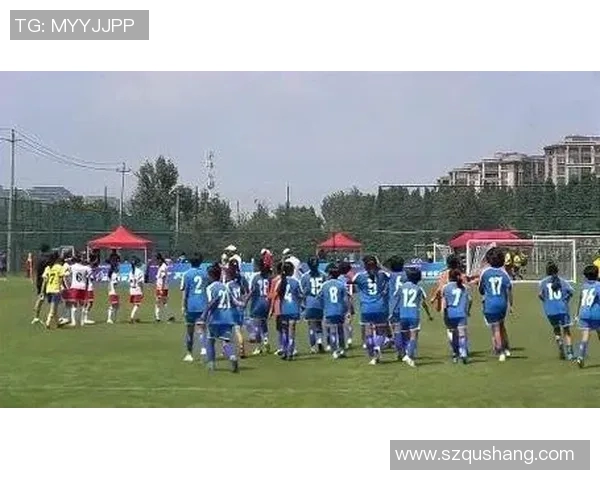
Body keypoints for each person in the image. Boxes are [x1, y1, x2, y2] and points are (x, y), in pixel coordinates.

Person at [389, 268, 433, 367]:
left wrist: (392, 313)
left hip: (403, 315)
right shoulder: (419, 288)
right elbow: (424, 303)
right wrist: (429, 314)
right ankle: (409, 356)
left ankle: (403, 353)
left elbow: (396, 301)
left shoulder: (401, 287)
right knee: (413, 336)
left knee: (404, 336)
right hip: (414, 315)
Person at [351, 255, 390, 365]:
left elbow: (349, 276)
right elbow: (391, 274)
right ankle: (378, 347)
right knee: (381, 331)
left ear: (365, 265)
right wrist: (380, 266)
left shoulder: (360, 276)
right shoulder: (382, 274)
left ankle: (372, 354)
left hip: (366, 308)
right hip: (380, 306)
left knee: (368, 331)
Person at [202, 263, 239, 373]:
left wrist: (205, 314)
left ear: (211, 276)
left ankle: (211, 364)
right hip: (228, 317)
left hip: (216, 317)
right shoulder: (225, 287)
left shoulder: (210, 288)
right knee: (226, 341)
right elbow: (233, 302)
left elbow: (212, 302)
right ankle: (232, 356)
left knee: (210, 340)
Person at [479, 247, 514, 362]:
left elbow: (481, 289)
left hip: (490, 304)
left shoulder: (485, 273)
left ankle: (501, 351)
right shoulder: (504, 274)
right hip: (502, 303)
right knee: (501, 325)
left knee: (495, 328)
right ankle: (507, 348)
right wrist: (511, 305)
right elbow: (509, 290)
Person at [538, 262, 574, 360]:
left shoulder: (543, 282)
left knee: (556, 329)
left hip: (550, 310)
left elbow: (540, 295)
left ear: (547, 271)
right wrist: (566, 300)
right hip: (562, 309)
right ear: (557, 270)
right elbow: (571, 292)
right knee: (566, 330)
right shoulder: (563, 281)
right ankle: (570, 353)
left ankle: (560, 343)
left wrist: (546, 301)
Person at [318, 262, 350, 359]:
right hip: (339, 310)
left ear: (330, 275)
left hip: (329, 311)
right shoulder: (341, 284)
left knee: (332, 331)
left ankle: (334, 351)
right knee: (340, 331)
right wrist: (347, 310)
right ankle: (342, 349)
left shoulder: (324, 285)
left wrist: (324, 307)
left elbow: (319, 297)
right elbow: (346, 299)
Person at [180, 253, 208, 361]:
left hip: (191, 305)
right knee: (202, 329)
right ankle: (204, 348)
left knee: (190, 331)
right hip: (203, 304)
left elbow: (185, 292)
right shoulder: (205, 274)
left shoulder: (187, 274)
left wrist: (183, 306)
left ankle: (189, 354)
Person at [442, 269, 472, 363]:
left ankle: (455, 354)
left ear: (449, 277)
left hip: (450, 314)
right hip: (461, 313)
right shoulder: (464, 287)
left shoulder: (445, 287)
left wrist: (444, 314)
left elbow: (444, 303)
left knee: (454, 335)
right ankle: (463, 353)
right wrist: (468, 311)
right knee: (462, 335)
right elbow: (470, 300)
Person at [574, 265, 600, 368]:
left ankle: (580, 357)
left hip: (583, 313)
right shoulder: (598, 285)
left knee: (585, 335)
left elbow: (580, 300)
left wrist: (577, 314)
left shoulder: (584, 286)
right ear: (597, 274)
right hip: (596, 314)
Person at [277, 261, 303, 360]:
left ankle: (284, 350)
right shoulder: (295, 282)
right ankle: (290, 352)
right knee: (292, 332)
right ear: (292, 271)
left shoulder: (281, 281)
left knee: (284, 331)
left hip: (284, 309)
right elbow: (300, 295)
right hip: (294, 309)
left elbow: (279, 294)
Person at [300, 256, 326, 353]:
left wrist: (303, 305)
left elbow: (302, 292)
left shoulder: (305, 277)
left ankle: (313, 347)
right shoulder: (323, 275)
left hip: (310, 303)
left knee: (311, 325)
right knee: (319, 324)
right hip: (320, 303)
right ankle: (319, 342)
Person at [225, 258, 250, 358]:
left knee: (227, 331)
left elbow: (228, 298)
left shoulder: (228, 284)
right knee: (238, 330)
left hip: (231, 309)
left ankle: (226, 350)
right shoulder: (240, 281)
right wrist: (244, 303)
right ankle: (241, 349)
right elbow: (246, 293)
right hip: (240, 309)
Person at [248, 258, 272, 355]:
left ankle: (258, 347)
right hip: (267, 303)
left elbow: (251, 290)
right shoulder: (269, 278)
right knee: (264, 323)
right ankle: (266, 340)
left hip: (257, 303)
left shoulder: (255, 277)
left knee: (256, 325)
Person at [40, 252, 64, 328]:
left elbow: (44, 281)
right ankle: (48, 322)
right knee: (53, 309)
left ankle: (58, 323)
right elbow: (61, 279)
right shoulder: (59, 267)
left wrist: (42, 292)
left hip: (48, 290)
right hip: (55, 290)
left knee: (55, 307)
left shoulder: (48, 268)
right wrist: (60, 287)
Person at [67, 254, 93, 327]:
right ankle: (82, 322)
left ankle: (73, 322)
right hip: (83, 287)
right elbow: (90, 274)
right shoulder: (86, 268)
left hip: (74, 286)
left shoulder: (72, 267)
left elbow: (67, 272)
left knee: (74, 305)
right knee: (82, 305)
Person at [32, 245, 52, 324]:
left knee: (41, 298)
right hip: (47, 281)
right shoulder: (48, 259)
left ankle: (36, 317)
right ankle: (51, 317)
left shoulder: (38, 259)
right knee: (51, 300)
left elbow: (36, 270)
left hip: (39, 281)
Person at [338, 261, 356, 348]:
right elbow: (353, 291)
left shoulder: (338, 278)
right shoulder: (350, 278)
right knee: (348, 322)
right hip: (349, 301)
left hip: (340, 302)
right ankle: (349, 339)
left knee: (339, 323)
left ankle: (341, 340)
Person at [154, 253, 175, 323]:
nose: (156, 262)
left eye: (157, 260)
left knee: (159, 302)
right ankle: (169, 316)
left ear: (159, 259)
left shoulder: (163, 267)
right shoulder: (161, 266)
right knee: (163, 302)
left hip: (162, 288)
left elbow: (163, 277)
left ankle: (158, 317)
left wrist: (161, 289)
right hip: (162, 287)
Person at [128, 257, 145, 323]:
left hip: (131, 289)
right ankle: (132, 317)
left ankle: (136, 318)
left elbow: (130, 281)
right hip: (137, 289)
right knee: (137, 305)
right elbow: (140, 283)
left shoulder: (131, 272)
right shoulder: (140, 271)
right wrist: (142, 291)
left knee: (135, 304)